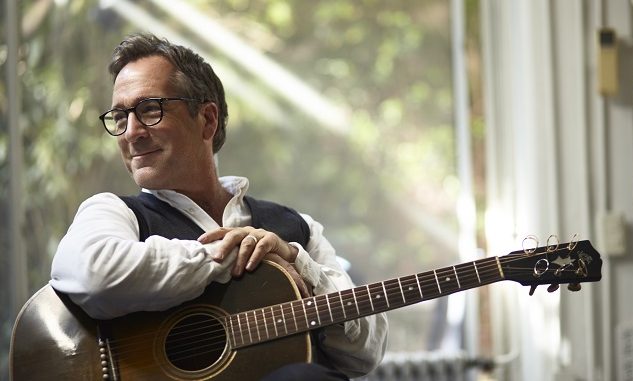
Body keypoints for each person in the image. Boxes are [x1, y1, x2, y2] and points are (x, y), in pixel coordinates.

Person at [49, 33, 388, 380]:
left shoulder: (297, 229)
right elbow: (94, 274)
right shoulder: (112, 212)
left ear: (207, 120)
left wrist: (296, 263)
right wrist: (226, 255)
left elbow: (366, 354)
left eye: (149, 110)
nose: (131, 132)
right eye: (120, 117)